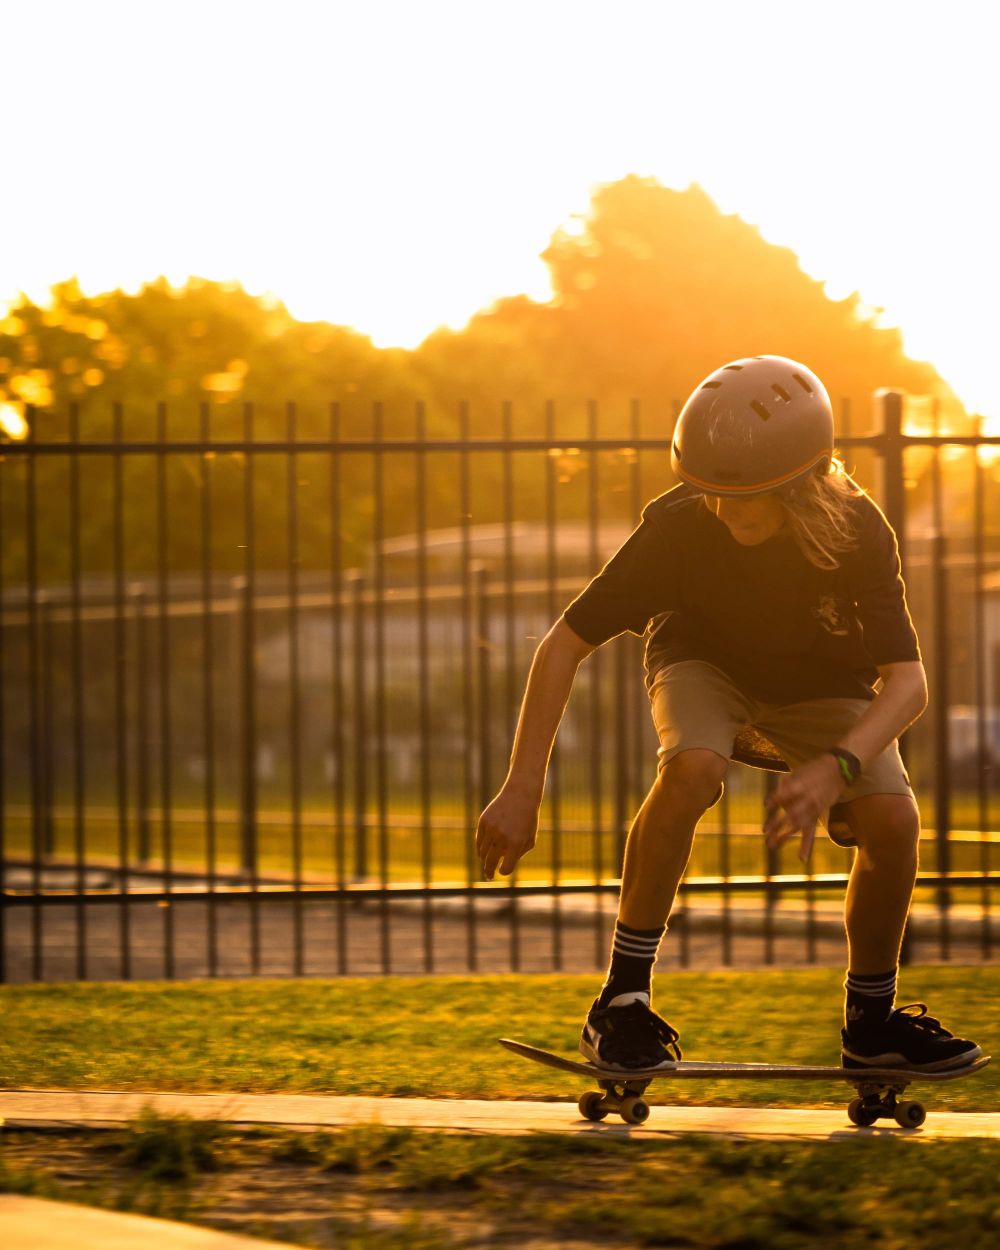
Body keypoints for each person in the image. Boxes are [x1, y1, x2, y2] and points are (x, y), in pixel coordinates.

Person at [475, 354, 982, 1073]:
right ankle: (621, 1004)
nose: (723, 509)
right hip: (702, 661)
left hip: (821, 683)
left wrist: (839, 768)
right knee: (694, 765)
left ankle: (871, 1023)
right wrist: (522, 785)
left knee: (894, 821)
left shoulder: (857, 530)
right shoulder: (679, 527)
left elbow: (908, 684)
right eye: (708, 491)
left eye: (745, 497)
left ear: (805, 483)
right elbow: (563, 644)